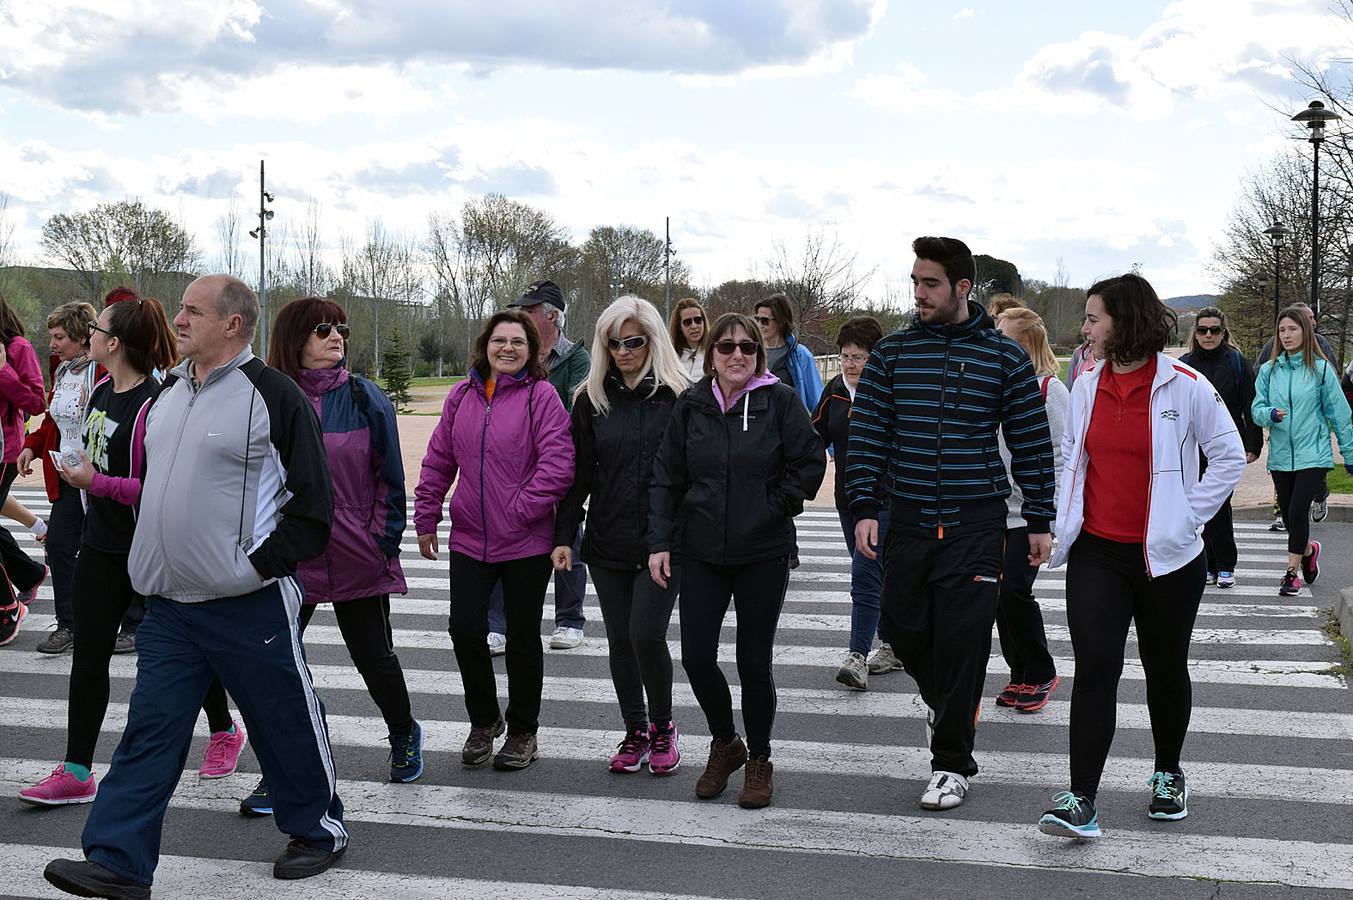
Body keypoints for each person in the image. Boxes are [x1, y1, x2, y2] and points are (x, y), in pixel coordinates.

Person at [44, 275, 345, 897]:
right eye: (180, 309)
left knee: (281, 719)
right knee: (150, 730)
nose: (176, 319)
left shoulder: (273, 395)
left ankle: (317, 829)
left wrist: (256, 567)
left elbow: (313, 505)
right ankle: (119, 861)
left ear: (232, 324)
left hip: (248, 601)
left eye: (191, 311)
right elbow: (153, 488)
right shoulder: (171, 392)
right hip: (170, 606)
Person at [845, 236, 1055, 813]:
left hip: (976, 521)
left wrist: (1039, 518)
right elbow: (867, 436)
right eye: (914, 282)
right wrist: (864, 504)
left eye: (930, 283)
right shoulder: (892, 354)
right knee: (902, 627)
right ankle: (947, 705)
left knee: (965, 643)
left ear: (963, 287)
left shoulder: (1002, 356)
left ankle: (951, 764)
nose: (918, 293)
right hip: (907, 518)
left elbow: (1032, 443)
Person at [1037, 274, 1244, 841]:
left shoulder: (1186, 385)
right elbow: (1068, 460)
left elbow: (1228, 456)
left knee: (1164, 666)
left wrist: (1188, 516)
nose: (1084, 328)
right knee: (1096, 669)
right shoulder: (1083, 385)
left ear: (1124, 323)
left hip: (1169, 559)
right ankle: (1081, 797)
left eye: (1092, 318)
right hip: (1097, 553)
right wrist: (1059, 521)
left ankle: (1168, 772)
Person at [20, 297, 246, 809]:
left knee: (190, 651)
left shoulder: (157, 403)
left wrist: (97, 482)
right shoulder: (100, 389)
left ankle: (224, 730)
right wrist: (71, 466)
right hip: (101, 545)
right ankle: (78, 770)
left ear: (114, 342)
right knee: (90, 653)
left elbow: (160, 488)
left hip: (153, 548)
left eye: (97, 329)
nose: (89, 335)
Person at [237, 297, 420, 817]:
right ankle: (284, 770)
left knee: (374, 659)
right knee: (277, 667)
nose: (336, 336)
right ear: (295, 337)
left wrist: (382, 541)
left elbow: (390, 479)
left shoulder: (365, 398)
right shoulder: (265, 398)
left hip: (358, 554)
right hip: (291, 557)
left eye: (341, 327)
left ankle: (404, 732)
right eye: (323, 329)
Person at [650, 312, 825, 810]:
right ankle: (726, 742)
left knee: (753, 661)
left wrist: (773, 508)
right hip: (702, 550)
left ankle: (760, 760)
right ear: (712, 356)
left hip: (762, 551)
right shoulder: (692, 405)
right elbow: (667, 476)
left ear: (758, 354)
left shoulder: (780, 401)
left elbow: (809, 463)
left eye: (747, 348)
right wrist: (660, 539)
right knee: (696, 656)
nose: (736, 356)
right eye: (726, 348)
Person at [415, 309, 573, 773]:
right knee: (465, 629)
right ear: (485, 345)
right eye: (500, 340)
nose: (507, 348)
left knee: (523, 637)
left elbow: (558, 464)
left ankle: (524, 730)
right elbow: (439, 458)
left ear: (531, 351)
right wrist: (427, 513)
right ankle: (484, 720)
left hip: (526, 542)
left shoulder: (541, 397)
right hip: (470, 538)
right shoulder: (461, 396)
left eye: (518, 342)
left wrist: (520, 510)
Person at [554, 296, 690, 774]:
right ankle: (634, 730)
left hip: (663, 542)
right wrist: (565, 534)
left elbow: (688, 475)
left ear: (652, 340)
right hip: (608, 536)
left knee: (645, 633)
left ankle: (663, 726)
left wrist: (674, 536)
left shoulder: (679, 397)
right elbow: (579, 474)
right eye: (614, 343)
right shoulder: (591, 399)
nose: (624, 350)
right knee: (618, 640)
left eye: (633, 341)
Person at [487, 279, 588, 652]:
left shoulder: (578, 359)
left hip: (560, 469)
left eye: (528, 311)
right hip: (516, 469)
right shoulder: (523, 355)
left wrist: (532, 416)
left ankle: (569, 620)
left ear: (551, 316)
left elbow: (575, 417)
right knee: (502, 541)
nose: (521, 316)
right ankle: (497, 625)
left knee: (567, 541)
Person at [810, 315, 896, 690]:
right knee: (878, 575)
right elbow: (814, 437)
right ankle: (893, 644)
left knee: (864, 573)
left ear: (874, 358)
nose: (850, 364)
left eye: (858, 357)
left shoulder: (891, 390)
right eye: (845, 356)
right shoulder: (834, 391)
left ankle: (857, 656)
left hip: (885, 500)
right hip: (848, 500)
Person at [992, 307, 1069, 712]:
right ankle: (1018, 672)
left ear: (1025, 343)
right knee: (998, 596)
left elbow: (1061, 454)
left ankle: (1039, 671)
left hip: (1029, 513)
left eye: (1003, 335)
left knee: (1014, 590)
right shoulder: (1001, 385)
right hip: (995, 510)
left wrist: (1048, 511)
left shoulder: (1050, 391)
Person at [1252, 305, 1353, 597]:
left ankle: (1290, 574)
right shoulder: (1269, 371)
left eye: (1292, 329)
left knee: (1297, 511)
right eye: (1282, 330)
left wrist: (1350, 454)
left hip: (1314, 453)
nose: (1286, 335)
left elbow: (1340, 415)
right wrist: (1268, 414)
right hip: (1282, 456)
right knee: (1290, 513)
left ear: (1305, 332)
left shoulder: (1321, 371)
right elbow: (1256, 408)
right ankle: (1309, 551)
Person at [19, 302, 101, 655]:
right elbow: (53, 418)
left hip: (100, 477)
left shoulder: (102, 371)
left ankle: (131, 622)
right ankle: (68, 624)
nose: (51, 343)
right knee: (60, 546)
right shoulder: (64, 369)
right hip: (64, 475)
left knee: (111, 549)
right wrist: (32, 447)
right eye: (52, 336)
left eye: (59, 337)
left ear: (84, 338)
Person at [1178, 307, 1263, 588]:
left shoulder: (1237, 362)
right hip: (1192, 446)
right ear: (1196, 333)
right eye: (1203, 330)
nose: (1209, 335)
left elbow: (1250, 405)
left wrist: (1252, 443)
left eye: (1214, 330)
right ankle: (1206, 562)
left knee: (1220, 504)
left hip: (1225, 445)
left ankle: (1224, 563)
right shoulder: (1186, 363)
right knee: (1197, 502)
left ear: (1223, 332)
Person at [1254, 301, 1336, 530]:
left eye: (1311, 318)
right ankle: (1283, 514)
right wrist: (1267, 410)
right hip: (1282, 431)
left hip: (1311, 432)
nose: (1313, 321)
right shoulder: (1274, 346)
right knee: (1286, 480)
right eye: (1308, 317)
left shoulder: (1321, 346)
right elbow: (1258, 374)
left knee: (1309, 476)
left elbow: (1332, 379)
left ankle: (1319, 496)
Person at [0, 290, 50, 646]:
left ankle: (8, 607)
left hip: (4, 451)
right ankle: (29, 571)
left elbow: (35, 402)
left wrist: (3, 372)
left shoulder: (18, 348)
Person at [754, 292, 824, 412]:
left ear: (781, 322)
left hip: (789, 423)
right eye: (757, 319)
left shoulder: (800, 355)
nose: (760, 325)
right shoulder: (750, 352)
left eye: (765, 320)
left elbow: (816, 398)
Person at [670, 297, 709, 378]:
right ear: (679, 326)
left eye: (698, 320)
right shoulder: (671, 356)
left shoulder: (714, 352)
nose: (694, 326)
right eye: (687, 322)